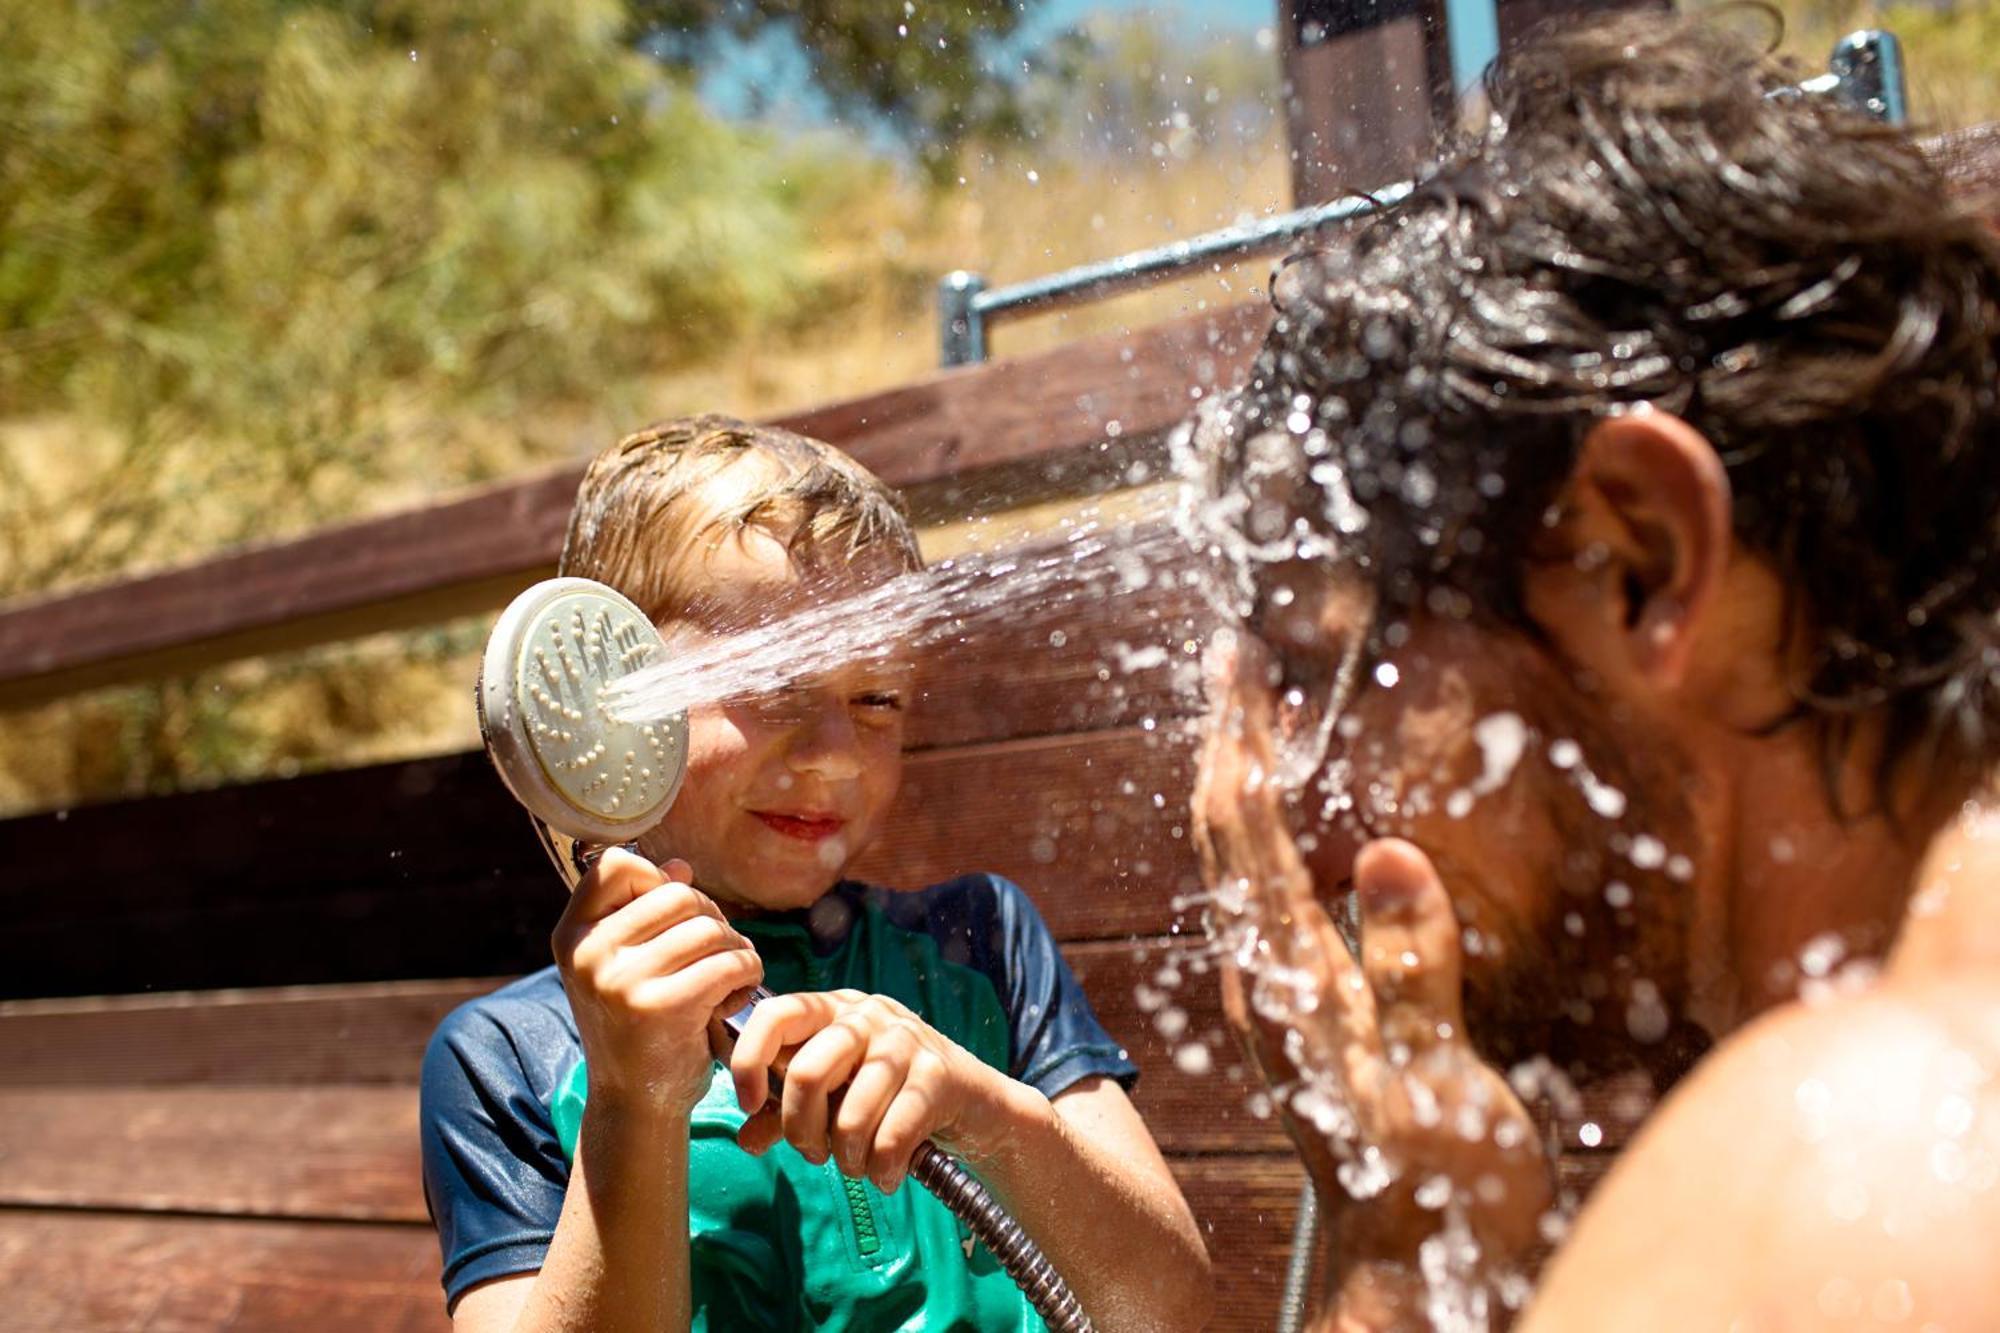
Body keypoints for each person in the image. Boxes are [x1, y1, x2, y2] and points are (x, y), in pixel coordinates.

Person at [1186, 13, 2000, 1330]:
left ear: (1641, 559)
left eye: (1333, 676)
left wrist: (1402, 1273)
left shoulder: (1842, 1167)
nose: (1314, 828)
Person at [421, 415, 1212, 1332]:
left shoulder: (978, 942)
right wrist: (635, 1101)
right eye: (776, 684)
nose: (835, 758)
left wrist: (987, 1113)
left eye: (877, 699)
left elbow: (1171, 1314)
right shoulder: (511, 1057)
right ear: (611, 705)